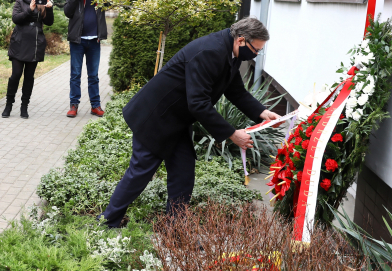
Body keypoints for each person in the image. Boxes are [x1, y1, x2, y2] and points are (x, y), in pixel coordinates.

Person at [99, 18, 282, 228]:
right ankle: (107, 221)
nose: (256, 54)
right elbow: (198, 104)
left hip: (176, 120)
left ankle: (175, 229)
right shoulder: (210, 52)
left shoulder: (231, 52)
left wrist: (262, 113)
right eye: (256, 49)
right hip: (156, 117)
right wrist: (232, 133)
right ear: (241, 40)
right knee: (141, 171)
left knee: (183, 173)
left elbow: (235, 91)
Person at [3, 0, 54, 118]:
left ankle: (24, 107)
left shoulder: (43, 2)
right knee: (16, 75)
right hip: (19, 43)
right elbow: (16, 19)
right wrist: (29, 10)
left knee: (29, 77)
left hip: (35, 44)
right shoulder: (20, 1)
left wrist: (49, 9)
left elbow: (49, 22)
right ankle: (8, 105)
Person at [63, 0, 108, 118]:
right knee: (75, 74)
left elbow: (108, 1)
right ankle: (73, 105)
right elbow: (67, 12)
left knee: (93, 75)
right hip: (78, 41)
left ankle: (95, 106)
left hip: (94, 41)